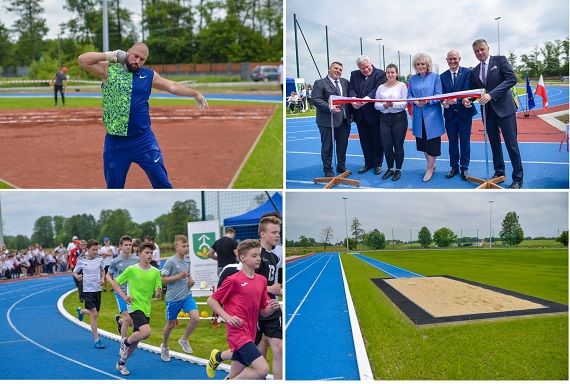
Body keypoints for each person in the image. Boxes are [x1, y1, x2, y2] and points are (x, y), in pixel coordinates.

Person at [77, 42, 208, 189]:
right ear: (128, 52)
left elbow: (172, 86)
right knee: (114, 188)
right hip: (116, 142)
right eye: (135, 56)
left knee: (163, 184)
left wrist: (195, 93)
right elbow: (83, 60)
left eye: (142, 59)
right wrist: (111, 55)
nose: (137, 62)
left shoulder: (148, 75)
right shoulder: (109, 70)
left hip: (143, 140)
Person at [207, 239, 280, 380]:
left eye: (259, 255)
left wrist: (271, 308)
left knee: (235, 374)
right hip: (237, 333)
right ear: (242, 258)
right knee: (263, 370)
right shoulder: (233, 280)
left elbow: (263, 311)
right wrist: (227, 317)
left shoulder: (262, 280)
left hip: (251, 332)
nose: (259, 258)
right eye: (254, 256)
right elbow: (211, 300)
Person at [463, 39, 523, 189]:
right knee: (494, 143)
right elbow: (475, 90)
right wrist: (467, 99)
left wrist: (491, 94)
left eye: (482, 49)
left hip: (505, 110)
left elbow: (511, 79)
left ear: (488, 48)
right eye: (476, 51)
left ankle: (518, 178)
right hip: (488, 112)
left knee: (511, 144)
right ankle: (499, 172)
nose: (480, 53)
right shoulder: (475, 70)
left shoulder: (500, 60)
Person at [109, 241, 162, 376]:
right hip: (134, 306)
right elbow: (115, 283)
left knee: (136, 341)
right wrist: (124, 296)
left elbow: (157, 290)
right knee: (146, 332)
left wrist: (159, 292)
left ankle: (121, 363)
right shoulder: (132, 270)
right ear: (140, 254)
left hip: (146, 308)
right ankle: (125, 342)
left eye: (151, 252)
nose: (150, 255)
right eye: (147, 252)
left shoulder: (155, 272)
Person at [159, 234, 199, 362]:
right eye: (183, 246)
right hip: (173, 298)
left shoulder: (188, 261)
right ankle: (165, 346)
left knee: (195, 318)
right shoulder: (170, 262)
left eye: (187, 246)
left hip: (186, 295)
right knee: (170, 325)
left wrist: (190, 281)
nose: (186, 248)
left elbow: (188, 276)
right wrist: (178, 277)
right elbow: (162, 279)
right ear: (177, 247)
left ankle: (184, 339)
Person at [408, 52, 445, 182]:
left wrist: (428, 101)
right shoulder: (412, 79)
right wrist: (414, 101)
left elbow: (439, 95)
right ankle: (431, 165)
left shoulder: (435, 77)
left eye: (423, 64)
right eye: (418, 64)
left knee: (433, 144)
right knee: (423, 144)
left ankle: (429, 168)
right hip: (418, 116)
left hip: (432, 117)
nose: (420, 66)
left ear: (427, 64)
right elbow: (409, 96)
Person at [441, 50, 477, 181]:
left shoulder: (467, 73)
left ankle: (464, 168)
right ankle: (454, 167)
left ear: (459, 59)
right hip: (450, 115)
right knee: (452, 143)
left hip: (464, 114)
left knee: (465, 142)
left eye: (454, 58)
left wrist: (457, 100)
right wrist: (443, 102)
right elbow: (442, 94)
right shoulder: (442, 76)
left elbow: (468, 90)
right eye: (450, 59)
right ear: (446, 60)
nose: (452, 61)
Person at [254, 215, 283, 380]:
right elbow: (244, 284)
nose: (277, 235)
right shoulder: (255, 254)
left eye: (278, 232)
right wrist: (268, 288)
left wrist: (275, 291)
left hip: (271, 308)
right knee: (259, 348)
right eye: (274, 232)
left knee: (278, 347)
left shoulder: (274, 257)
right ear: (263, 234)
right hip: (256, 309)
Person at [348, 55, 387, 175]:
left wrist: (365, 99)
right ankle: (368, 163)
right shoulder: (354, 75)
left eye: (367, 67)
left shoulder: (380, 74)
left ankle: (378, 164)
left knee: (377, 140)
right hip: (359, 114)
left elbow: (377, 90)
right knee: (364, 141)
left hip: (374, 113)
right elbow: (351, 89)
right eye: (362, 68)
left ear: (371, 63)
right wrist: (353, 99)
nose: (365, 70)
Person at [312, 61, 352, 177]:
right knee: (327, 147)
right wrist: (329, 107)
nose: (338, 71)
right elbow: (315, 99)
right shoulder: (320, 83)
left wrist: (351, 114)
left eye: (340, 69)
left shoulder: (345, 82)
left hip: (344, 121)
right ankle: (328, 169)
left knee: (342, 146)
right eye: (336, 68)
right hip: (327, 122)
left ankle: (341, 166)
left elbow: (347, 99)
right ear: (329, 69)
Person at [374, 64, 409, 181]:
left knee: (398, 146)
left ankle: (398, 169)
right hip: (384, 119)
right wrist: (384, 105)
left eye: (392, 72)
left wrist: (393, 104)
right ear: (386, 74)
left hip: (399, 119)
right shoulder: (380, 87)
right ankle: (390, 168)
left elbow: (404, 103)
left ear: (397, 73)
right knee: (387, 146)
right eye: (388, 72)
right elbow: (376, 104)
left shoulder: (402, 86)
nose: (390, 74)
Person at [73, 239, 106, 349]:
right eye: (93, 250)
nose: (95, 252)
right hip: (87, 290)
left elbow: (103, 270)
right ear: (87, 250)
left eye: (97, 249)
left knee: (96, 314)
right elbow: (74, 271)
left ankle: (81, 311)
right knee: (93, 313)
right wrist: (77, 276)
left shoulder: (100, 259)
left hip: (97, 289)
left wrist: (103, 278)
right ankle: (97, 340)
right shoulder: (82, 261)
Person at [106, 235, 139, 339]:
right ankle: (124, 344)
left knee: (132, 323)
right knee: (127, 318)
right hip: (121, 292)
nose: (128, 247)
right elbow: (108, 274)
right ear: (120, 246)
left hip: (134, 293)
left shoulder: (137, 259)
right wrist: (112, 283)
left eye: (130, 245)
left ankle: (119, 321)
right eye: (126, 245)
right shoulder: (116, 261)